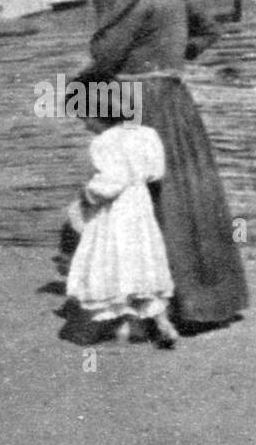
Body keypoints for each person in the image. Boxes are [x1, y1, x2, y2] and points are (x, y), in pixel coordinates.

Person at [78, 0, 247, 330]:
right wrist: (168, 60)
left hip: (139, 104)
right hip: (174, 101)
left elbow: (105, 56)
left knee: (141, 199)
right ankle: (203, 299)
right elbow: (208, 32)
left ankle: (155, 302)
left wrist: (102, 10)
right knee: (185, 194)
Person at [65, 93, 178, 348]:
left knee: (113, 259)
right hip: (140, 205)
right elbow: (156, 172)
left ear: (100, 116)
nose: (85, 125)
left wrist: (88, 192)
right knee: (142, 260)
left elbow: (111, 182)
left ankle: (116, 322)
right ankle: (160, 322)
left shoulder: (104, 142)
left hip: (114, 211)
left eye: (85, 118)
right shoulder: (146, 134)